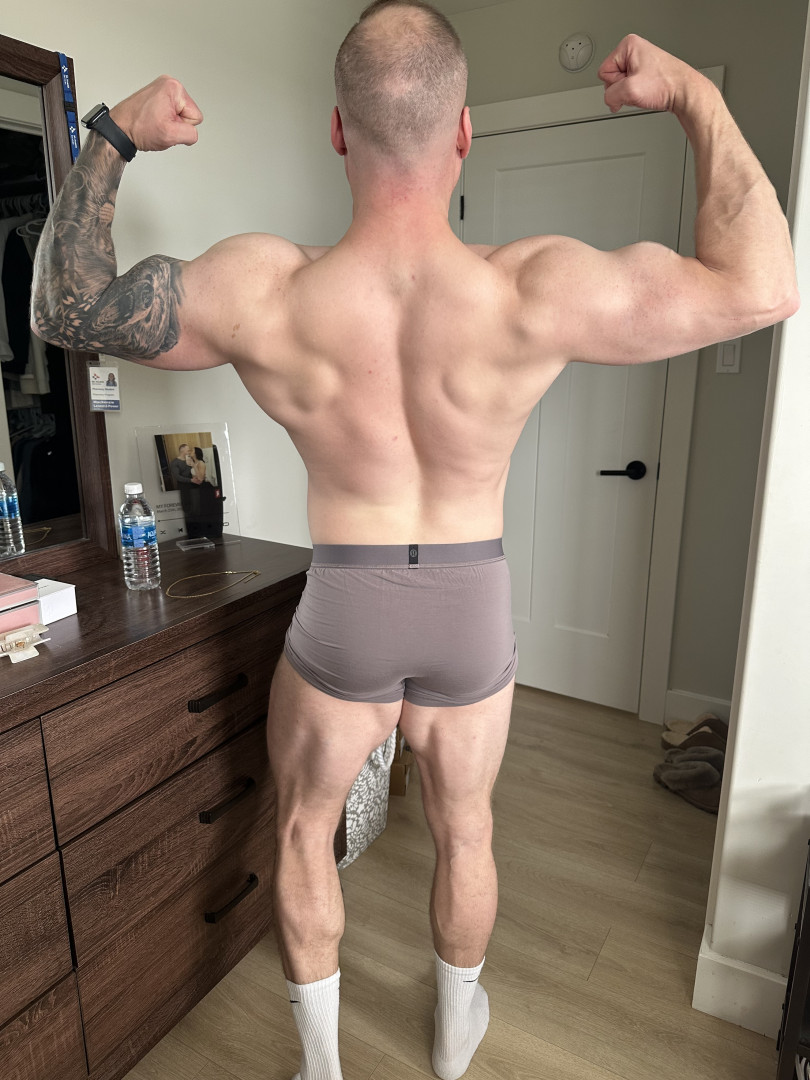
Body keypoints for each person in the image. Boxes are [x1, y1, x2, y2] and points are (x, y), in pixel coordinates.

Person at [29, 4, 798, 1078]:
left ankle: (322, 1069)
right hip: (468, 603)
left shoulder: (266, 287)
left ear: (338, 132)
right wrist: (696, 98)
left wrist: (112, 133)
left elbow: (67, 313)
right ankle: (450, 1040)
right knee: (465, 829)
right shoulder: (532, 285)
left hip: (347, 605)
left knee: (303, 830)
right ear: (465, 132)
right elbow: (764, 286)